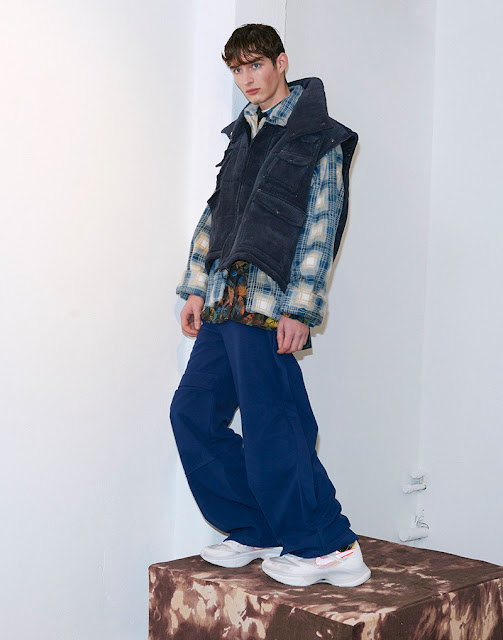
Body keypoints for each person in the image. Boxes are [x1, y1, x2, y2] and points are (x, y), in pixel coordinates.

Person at [170, 23, 370, 588]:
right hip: (222, 301)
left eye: (255, 65)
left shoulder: (316, 137)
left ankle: (328, 545)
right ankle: (256, 526)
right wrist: (194, 286)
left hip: (269, 302)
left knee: (273, 426)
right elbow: (215, 216)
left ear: (282, 62)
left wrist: (300, 310)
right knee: (191, 413)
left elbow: (322, 226)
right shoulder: (243, 134)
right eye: (237, 70)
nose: (246, 79)